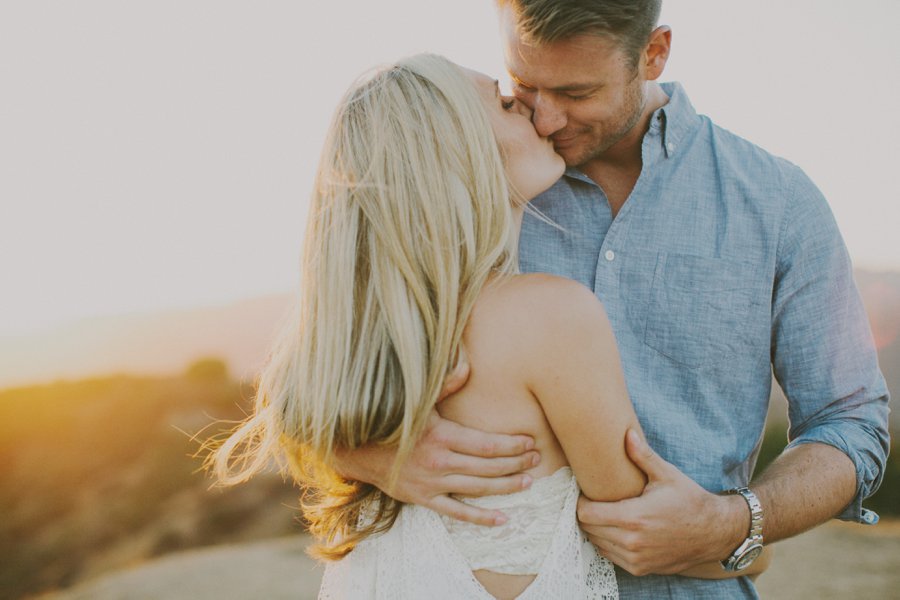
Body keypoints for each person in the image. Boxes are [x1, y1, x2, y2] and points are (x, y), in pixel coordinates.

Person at [335, 1, 892, 598]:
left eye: (577, 91)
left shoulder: (779, 202)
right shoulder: (470, 177)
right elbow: (324, 377)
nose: (546, 118)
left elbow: (850, 420)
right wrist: (365, 453)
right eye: (522, 86)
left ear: (653, 54)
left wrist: (734, 525)